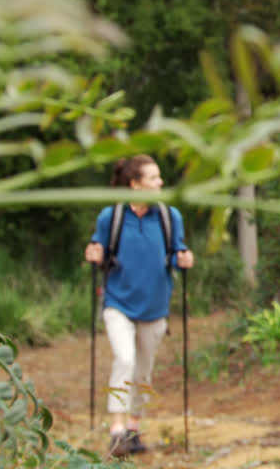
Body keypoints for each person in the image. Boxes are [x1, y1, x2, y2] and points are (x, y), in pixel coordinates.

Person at [84, 155, 194, 457]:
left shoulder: (171, 217)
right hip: (118, 302)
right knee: (125, 359)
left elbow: (175, 253)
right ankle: (117, 430)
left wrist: (184, 259)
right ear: (135, 184)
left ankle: (134, 428)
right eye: (154, 178)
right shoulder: (112, 217)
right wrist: (93, 253)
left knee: (143, 373)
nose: (160, 183)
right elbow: (100, 249)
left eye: (159, 178)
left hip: (155, 306)